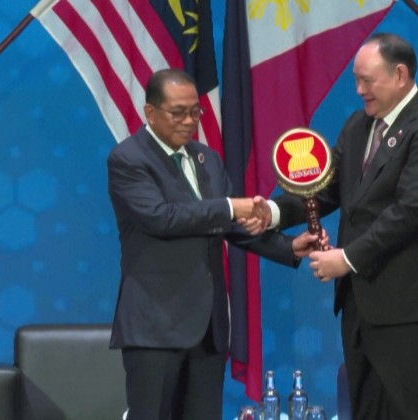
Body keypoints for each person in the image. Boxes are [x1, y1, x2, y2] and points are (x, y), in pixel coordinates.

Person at [265, 33, 418, 419]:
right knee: (365, 409)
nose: (359, 90)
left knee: (408, 411)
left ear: (400, 75)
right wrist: (271, 213)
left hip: (409, 305)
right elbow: (324, 189)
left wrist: (347, 258)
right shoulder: (359, 125)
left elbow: (411, 211)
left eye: (367, 80)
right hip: (361, 302)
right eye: (356, 80)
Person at [107, 69, 321, 420]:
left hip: (208, 328)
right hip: (155, 327)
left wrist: (288, 246)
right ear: (150, 112)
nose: (189, 121)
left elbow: (228, 225)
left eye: (196, 111)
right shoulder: (129, 159)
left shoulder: (207, 158)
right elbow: (162, 217)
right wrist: (229, 206)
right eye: (178, 112)